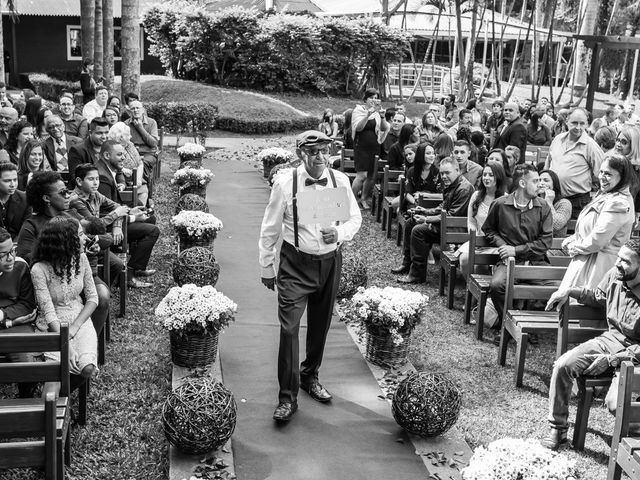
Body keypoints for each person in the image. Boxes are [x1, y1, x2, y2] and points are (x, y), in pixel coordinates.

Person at [258, 130, 362, 422]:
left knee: (320, 324)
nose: (320, 157)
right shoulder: (285, 183)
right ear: (301, 153)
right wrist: (267, 266)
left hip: (330, 263)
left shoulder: (339, 181)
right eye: (314, 152)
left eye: (324, 151)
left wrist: (339, 232)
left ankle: (310, 376)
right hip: (295, 264)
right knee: (289, 329)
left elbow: (355, 218)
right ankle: (287, 398)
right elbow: (270, 228)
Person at [542, 239, 640, 450]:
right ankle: (557, 428)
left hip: (634, 358)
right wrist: (569, 291)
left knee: (616, 405)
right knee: (563, 366)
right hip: (609, 342)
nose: (618, 264)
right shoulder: (615, 275)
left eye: (626, 261)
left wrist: (612, 360)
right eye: (619, 258)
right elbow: (597, 295)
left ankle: (633, 437)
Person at [482, 164, 553, 324]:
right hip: (508, 263)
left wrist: (514, 250)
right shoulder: (500, 204)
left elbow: (546, 242)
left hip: (536, 262)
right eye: (535, 181)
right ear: (522, 183)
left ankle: (531, 324)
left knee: (556, 287)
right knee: (497, 285)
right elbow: (489, 230)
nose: (540, 184)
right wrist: (503, 247)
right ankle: (508, 322)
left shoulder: (543, 206)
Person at [31, 216, 99, 382]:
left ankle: (63, 396)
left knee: (87, 368)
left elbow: (93, 298)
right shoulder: (39, 269)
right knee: (58, 373)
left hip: (79, 318)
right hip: (52, 325)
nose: (85, 239)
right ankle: (54, 403)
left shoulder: (81, 259)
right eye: (80, 235)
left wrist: (75, 327)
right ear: (66, 242)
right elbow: (48, 311)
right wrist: (65, 344)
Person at [555, 156, 635, 293]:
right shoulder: (606, 195)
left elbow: (597, 241)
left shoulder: (619, 202)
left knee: (580, 311)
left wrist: (573, 246)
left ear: (622, 177)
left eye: (608, 174)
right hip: (586, 262)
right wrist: (572, 239)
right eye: (601, 172)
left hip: (598, 269)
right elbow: (589, 229)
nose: (602, 177)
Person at [395, 157, 474, 283]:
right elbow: (443, 207)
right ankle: (407, 263)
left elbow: (451, 216)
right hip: (447, 224)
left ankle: (417, 275)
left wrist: (426, 219)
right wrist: (424, 211)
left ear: (457, 170)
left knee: (418, 230)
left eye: (447, 173)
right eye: (442, 173)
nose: (443, 176)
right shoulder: (453, 184)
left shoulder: (463, 188)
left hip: (456, 229)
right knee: (411, 222)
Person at [96, 141, 160, 288]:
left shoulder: (108, 169)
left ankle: (137, 267)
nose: (124, 158)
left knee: (150, 218)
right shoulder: (101, 177)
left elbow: (113, 205)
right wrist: (131, 218)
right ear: (106, 155)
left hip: (115, 219)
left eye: (124, 154)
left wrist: (131, 211)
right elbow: (105, 212)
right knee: (153, 231)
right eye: (119, 154)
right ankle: (128, 276)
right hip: (107, 228)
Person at [544, 108, 604, 218]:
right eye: (574, 123)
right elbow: (548, 164)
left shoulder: (590, 146)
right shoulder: (558, 139)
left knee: (571, 233)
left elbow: (602, 174)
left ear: (587, 124)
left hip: (577, 202)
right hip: (552, 197)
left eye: (582, 124)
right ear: (567, 121)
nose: (578, 127)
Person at [0, 226, 38, 397]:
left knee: (27, 365)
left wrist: (3, 316)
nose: (11, 258)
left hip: (14, 327)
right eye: (4, 254)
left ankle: (25, 399)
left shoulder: (20, 267)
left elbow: (27, 304)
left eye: (12, 251)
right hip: (11, 322)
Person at [458, 161, 507, 277]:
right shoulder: (476, 196)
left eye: (491, 175)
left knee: (481, 265)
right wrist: (474, 236)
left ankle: (484, 291)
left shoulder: (505, 199)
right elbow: (471, 221)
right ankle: (471, 289)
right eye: (484, 174)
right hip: (478, 241)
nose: (486, 178)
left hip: (496, 244)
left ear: (498, 177)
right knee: (464, 260)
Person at [351, 88, 389, 209]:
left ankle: (364, 198)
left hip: (375, 146)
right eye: (371, 97)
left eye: (376, 97)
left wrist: (382, 117)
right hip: (361, 146)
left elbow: (383, 129)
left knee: (371, 176)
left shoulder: (378, 112)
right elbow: (358, 128)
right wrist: (368, 114)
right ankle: (352, 199)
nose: (374, 100)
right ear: (365, 99)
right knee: (361, 175)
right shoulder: (358, 110)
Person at [125, 100, 159, 200]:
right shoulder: (126, 124)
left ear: (143, 110)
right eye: (133, 108)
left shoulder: (151, 122)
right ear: (129, 112)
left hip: (149, 153)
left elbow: (153, 143)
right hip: (132, 152)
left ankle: (146, 197)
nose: (135, 110)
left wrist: (140, 127)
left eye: (138, 108)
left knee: (142, 165)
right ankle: (128, 195)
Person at [108, 121, 148, 207]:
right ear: (120, 137)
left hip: (135, 180)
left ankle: (139, 211)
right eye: (128, 135)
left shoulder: (129, 144)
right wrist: (122, 170)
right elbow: (108, 164)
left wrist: (138, 180)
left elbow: (140, 163)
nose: (131, 136)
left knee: (143, 191)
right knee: (140, 192)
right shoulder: (111, 147)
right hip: (122, 181)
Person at [67, 118, 110, 188]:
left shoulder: (110, 147)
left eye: (106, 132)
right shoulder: (77, 150)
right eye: (99, 133)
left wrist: (122, 183)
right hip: (85, 193)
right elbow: (75, 178)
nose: (104, 136)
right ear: (90, 133)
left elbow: (117, 168)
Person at [538, 169, 573, 238]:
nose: (541, 183)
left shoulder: (564, 203)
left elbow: (556, 225)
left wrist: (548, 202)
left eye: (546, 180)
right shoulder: (533, 201)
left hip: (555, 244)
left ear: (554, 184)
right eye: (539, 180)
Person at [0, 163, 30, 240]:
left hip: (17, 243)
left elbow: (25, 230)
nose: (13, 184)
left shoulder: (25, 199)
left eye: (15, 180)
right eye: (7, 181)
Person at [613, 125, 640, 211]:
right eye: (617, 140)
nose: (618, 144)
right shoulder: (615, 162)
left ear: (633, 146)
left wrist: (637, 213)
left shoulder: (634, 169)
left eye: (624, 142)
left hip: (624, 213)